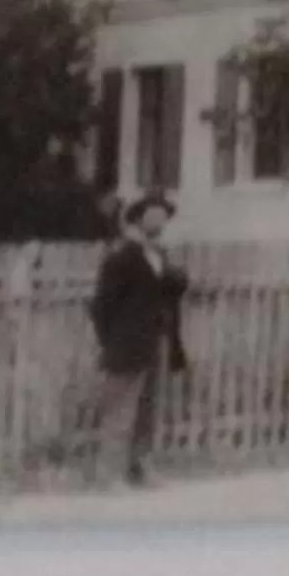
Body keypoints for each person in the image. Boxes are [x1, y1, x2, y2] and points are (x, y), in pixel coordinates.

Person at [88, 193, 190, 488]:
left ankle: (140, 468)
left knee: (147, 411)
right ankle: (109, 474)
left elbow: (175, 289)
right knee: (120, 411)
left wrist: (170, 267)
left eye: (163, 215)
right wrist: (112, 341)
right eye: (153, 214)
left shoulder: (162, 257)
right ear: (138, 219)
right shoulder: (121, 257)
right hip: (126, 344)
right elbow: (101, 306)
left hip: (156, 342)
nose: (159, 220)